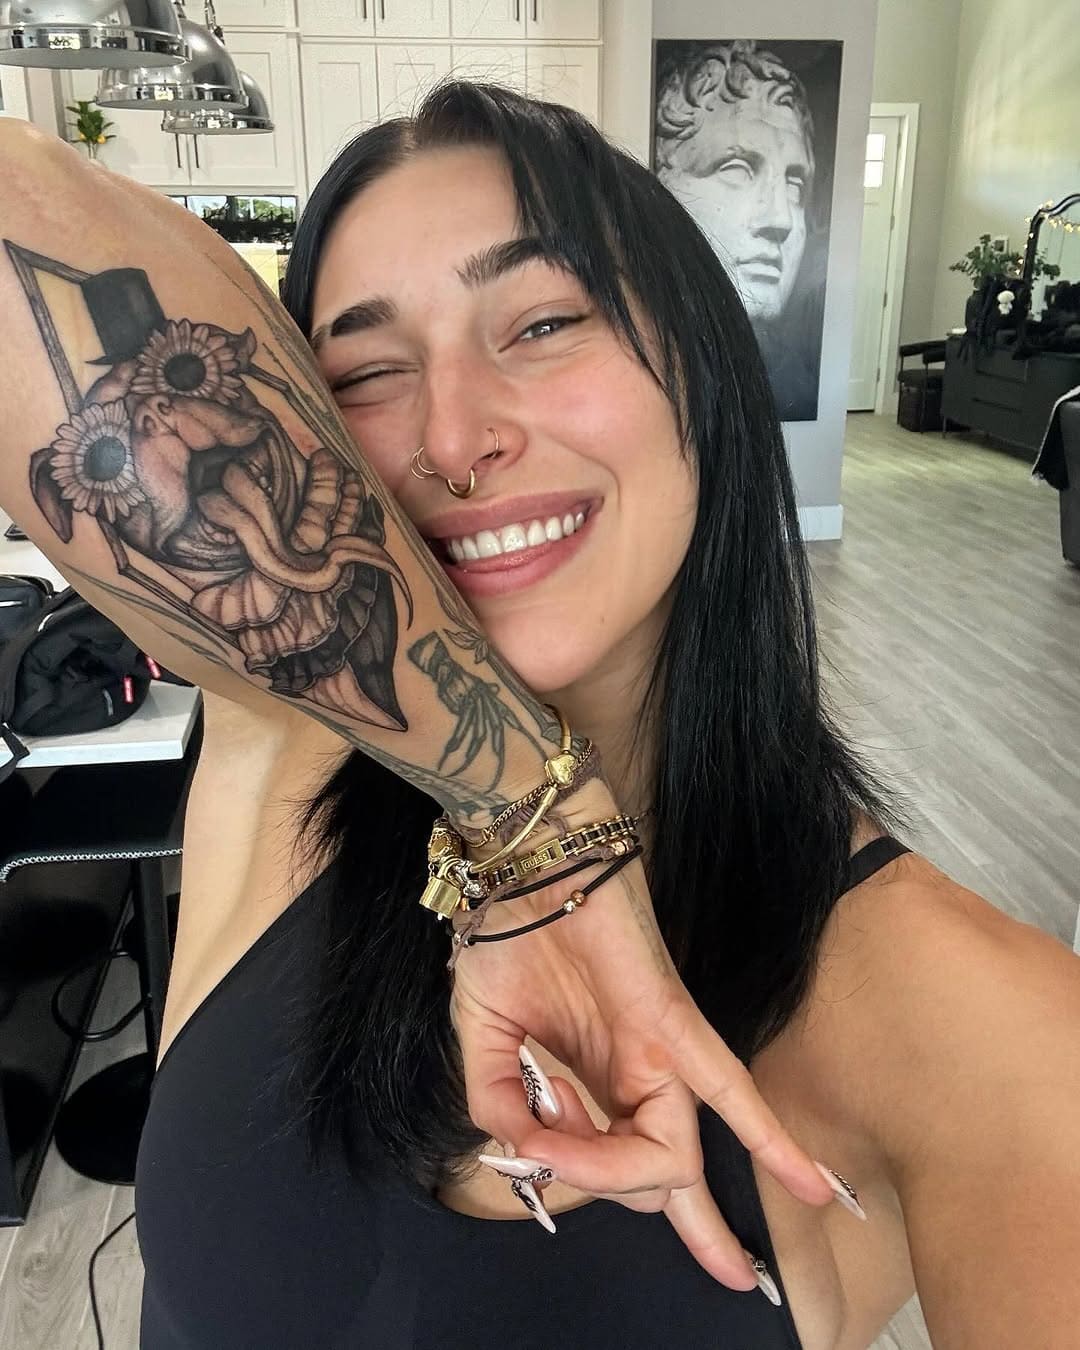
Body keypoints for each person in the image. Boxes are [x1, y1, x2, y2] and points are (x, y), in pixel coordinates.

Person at [1, 82, 1078, 1350]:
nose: (454, 439)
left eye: (547, 322)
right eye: (364, 372)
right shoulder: (286, 734)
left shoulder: (982, 1028)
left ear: (706, 374)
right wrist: (533, 820)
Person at [654, 39, 824, 419]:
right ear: (660, 190)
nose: (780, 220)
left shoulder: (797, 387)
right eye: (737, 169)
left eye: (794, 185)